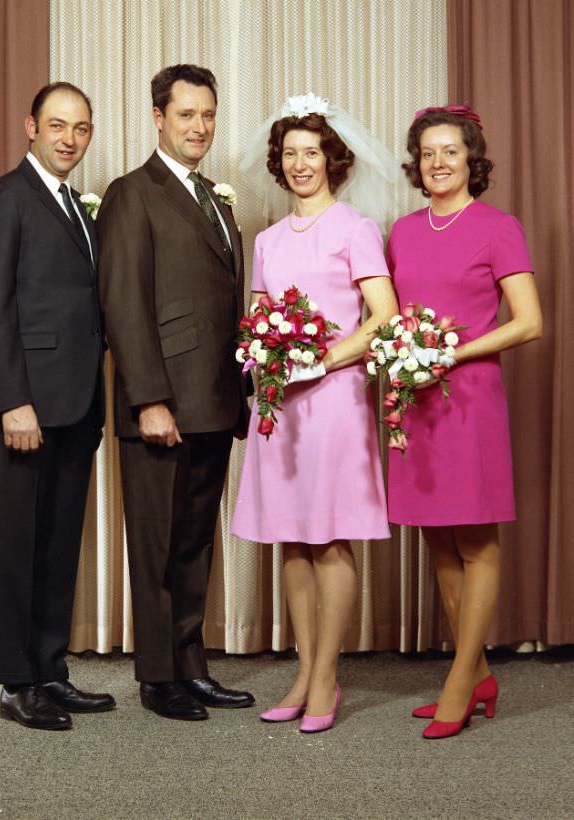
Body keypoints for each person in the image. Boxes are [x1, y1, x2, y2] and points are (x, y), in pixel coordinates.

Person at [231, 94, 398, 733]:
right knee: (291, 542)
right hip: (282, 406)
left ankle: (327, 675)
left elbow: (382, 318)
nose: (302, 164)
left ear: (333, 159)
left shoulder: (355, 229)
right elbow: (257, 319)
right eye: (291, 154)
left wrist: (322, 361)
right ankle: (303, 671)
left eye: (313, 153)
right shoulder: (268, 240)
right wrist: (267, 355)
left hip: (333, 401)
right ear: (280, 163)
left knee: (330, 537)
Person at [96, 64, 254, 721]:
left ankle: (191, 666)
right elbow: (124, 303)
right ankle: (158, 677)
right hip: (161, 404)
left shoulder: (215, 199)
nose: (199, 127)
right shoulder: (132, 193)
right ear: (158, 117)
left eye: (208, 115)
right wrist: (148, 398)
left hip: (214, 400)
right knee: (158, 545)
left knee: (194, 544)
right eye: (186, 114)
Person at [0, 82, 114, 730]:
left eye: (80, 128)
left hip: (77, 402)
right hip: (29, 403)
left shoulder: (77, 207)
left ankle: (51, 669)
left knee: (56, 545)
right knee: (17, 542)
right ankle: (16, 680)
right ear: (30, 126)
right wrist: (12, 401)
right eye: (57, 125)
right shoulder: (3, 198)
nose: (69, 138)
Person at [387, 105, 542, 740]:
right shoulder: (400, 230)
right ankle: (476, 671)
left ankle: (458, 682)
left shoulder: (498, 227)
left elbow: (529, 322)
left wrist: (451, 352)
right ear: (416, 165)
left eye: (450, 151)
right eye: (427, 154)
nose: (439, 163)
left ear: (471, 159)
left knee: (475, 541)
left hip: (470, 400)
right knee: (436, 537)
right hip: (416, 402)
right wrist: (403, 365)